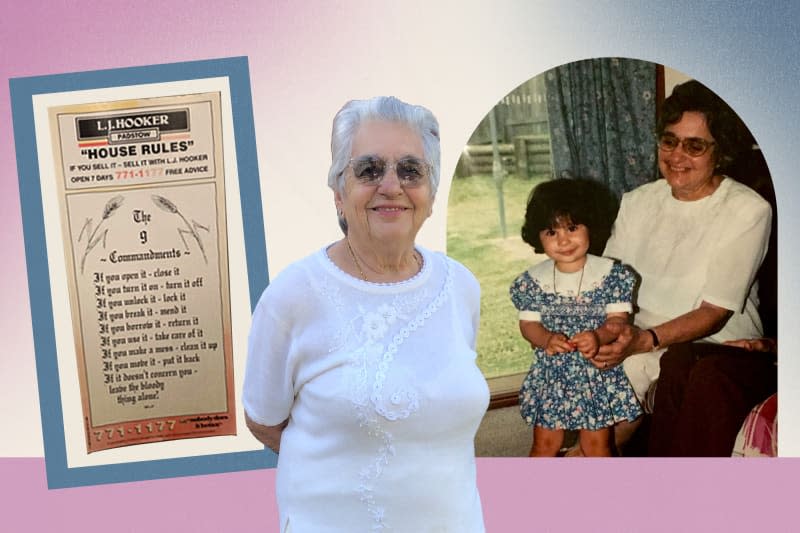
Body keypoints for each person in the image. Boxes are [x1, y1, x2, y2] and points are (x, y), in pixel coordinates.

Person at [242, 96, 489, 532]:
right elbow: (264, 421)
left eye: (411, 170)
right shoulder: (293, 296)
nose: (391, 185)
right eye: (369, 169)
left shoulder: (461, 287)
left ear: (430, 194)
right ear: (339, 192)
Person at [594, 80, 774, 455]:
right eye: (669, 140)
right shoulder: (638, 201)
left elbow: (714, 311)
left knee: (640, 375)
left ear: (719, 152)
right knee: (584, 379)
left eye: (695, 145)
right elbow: (607, 285)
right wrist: (612, 331)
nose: (677, 155)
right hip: (640, 336)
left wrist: (640, 341)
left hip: (714, 346)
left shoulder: (747, 210)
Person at [510, 178, 642, 457]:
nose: (564, 240)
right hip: (552, 375)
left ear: (590, 225)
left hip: (595, 373)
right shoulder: (533, 281)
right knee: (545, 443)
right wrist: (545, 338)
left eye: (572, 228)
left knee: (598, 446)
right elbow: (528, 324)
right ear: (538, 235)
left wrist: (598, 336)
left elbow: (618, 322)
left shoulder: (611, 276)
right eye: (551, 232)